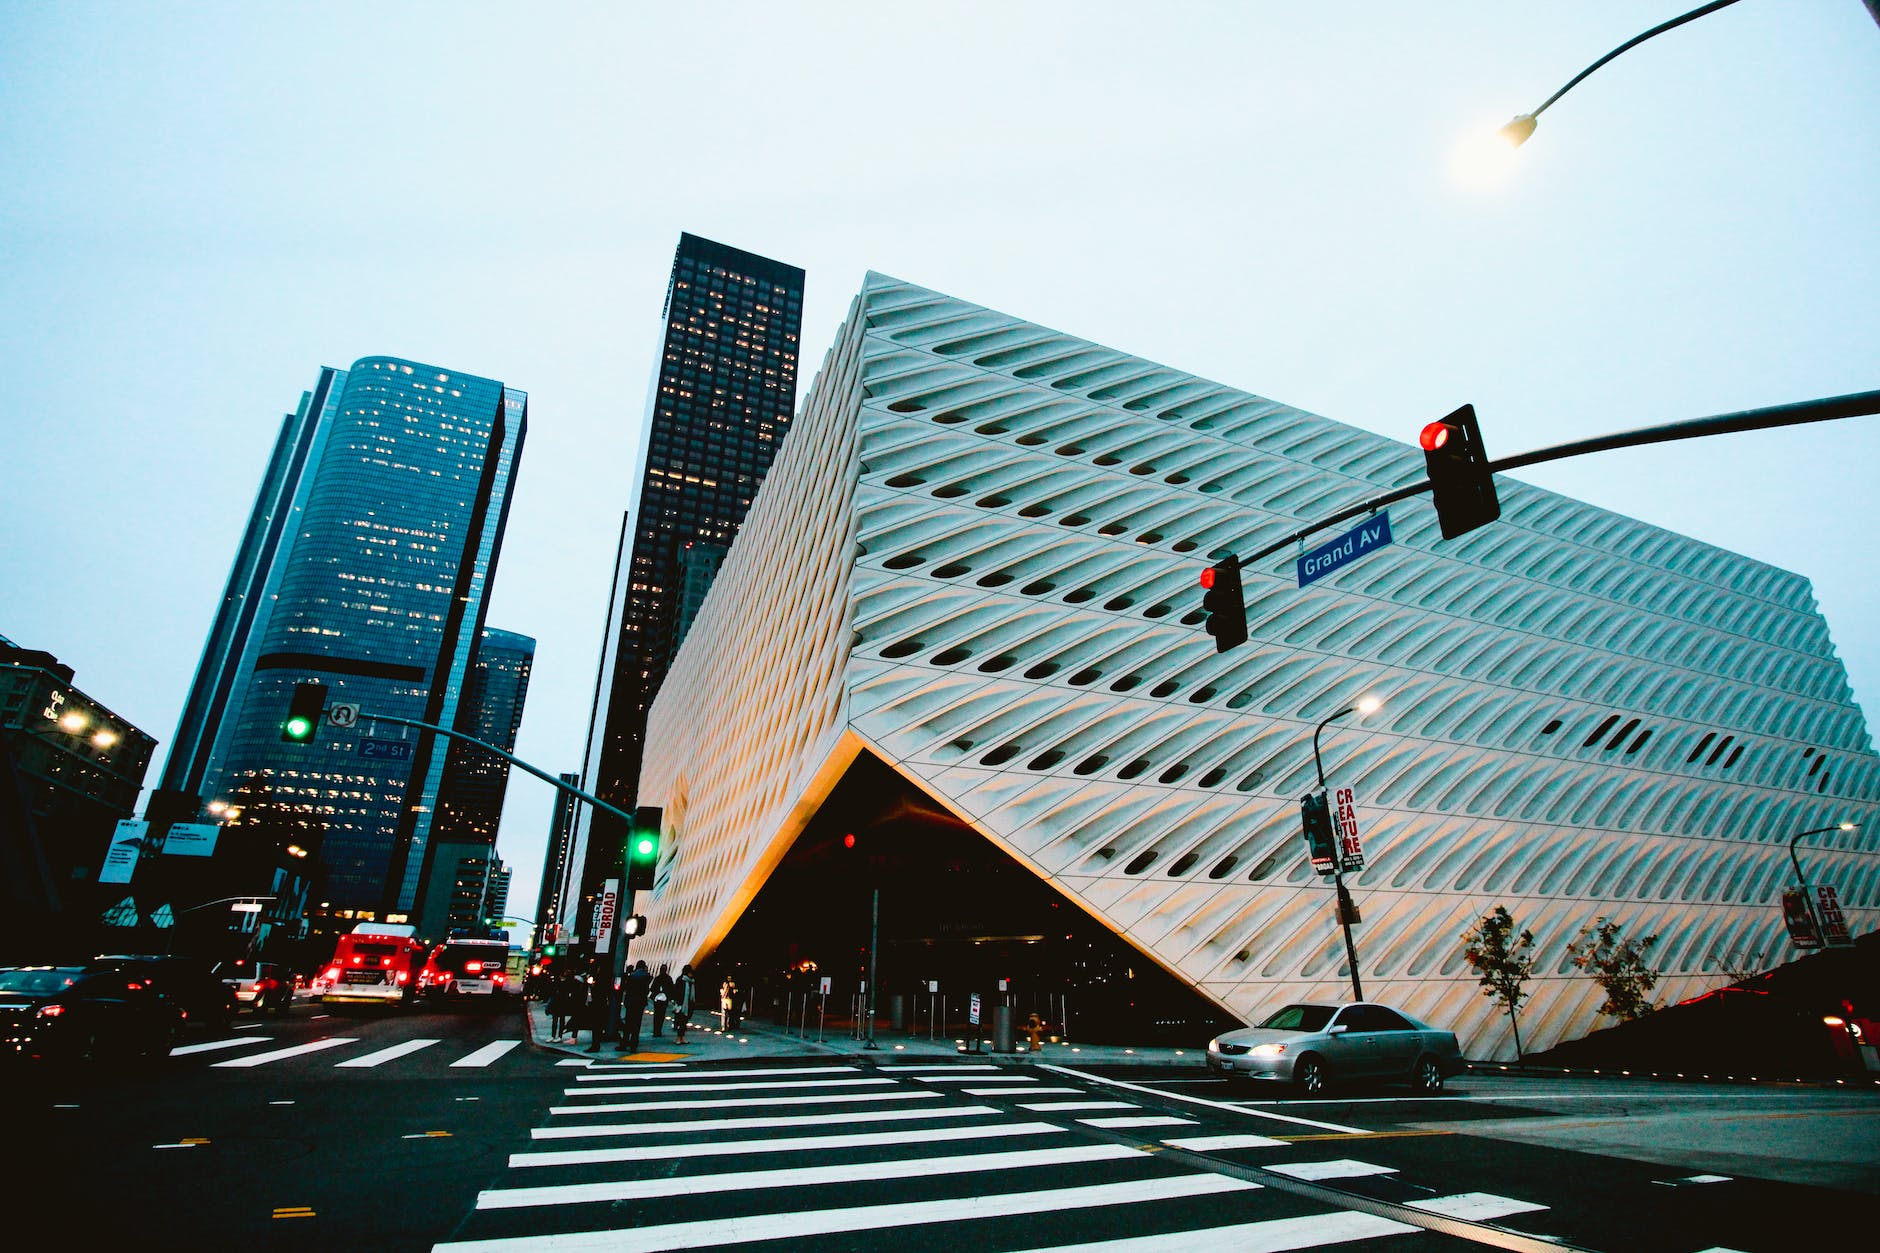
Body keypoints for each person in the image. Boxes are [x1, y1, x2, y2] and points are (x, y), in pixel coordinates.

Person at [619, 959, 653, 1052]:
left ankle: (624, 1043)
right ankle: (634, 1044)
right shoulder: (647, 977)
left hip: (631, 1001)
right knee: (637, 1024)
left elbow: (627, 988)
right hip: (640, 1002)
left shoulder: (632, 976)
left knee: (628, 1023)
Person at [548, 970, 581, 1040]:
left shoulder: (564, 983)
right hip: (561, 1002)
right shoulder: (569, 983)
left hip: (560, 1002)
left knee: (557, 1020)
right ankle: (558, 1036)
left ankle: (555, 1036)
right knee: (559, 1020)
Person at [672, 964, 696, 1044]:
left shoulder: (691, 982)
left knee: (684, 1021)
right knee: (680, 1021)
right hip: (681, 1004)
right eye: (690, 973)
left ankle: (682, 1037)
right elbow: (676, 992)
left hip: (687, 1005)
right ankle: (679, 1037)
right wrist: (677, 1002)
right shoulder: (681, 980)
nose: (691, 974)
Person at [649, 963, 674, 1037]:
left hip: (657, 999)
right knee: (661, 1015)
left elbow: (652, 988)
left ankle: (656, 1030)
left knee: (656, 1015)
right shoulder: (668, 978)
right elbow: (671, 988)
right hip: (664, 999)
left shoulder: (657, 978)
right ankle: (658, 1030)